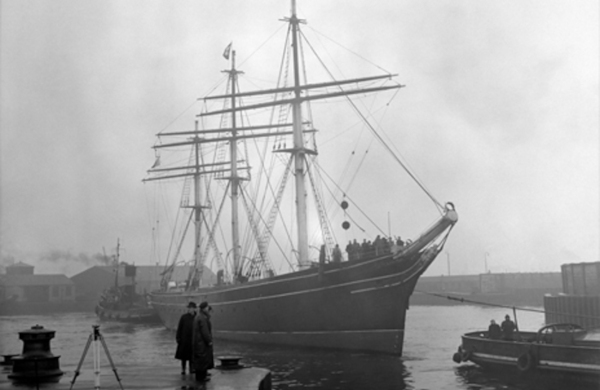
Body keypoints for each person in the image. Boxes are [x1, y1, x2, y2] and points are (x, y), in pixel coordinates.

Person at [192, 301, 213, 382]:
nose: (208, 309)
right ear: (204, 308)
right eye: (207, 307)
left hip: (198, 342)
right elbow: (205, 331)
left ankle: (200, 376)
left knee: (199, 360)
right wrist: (209, 341)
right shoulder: (202, 318)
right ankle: (202, 377)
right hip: (202, 343)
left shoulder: (198, 317)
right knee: (203, 360)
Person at [175, 301, 196, 375]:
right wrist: (178, 337)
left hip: (192, 339)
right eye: (189, 308)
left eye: (191, 308)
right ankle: (183, 369)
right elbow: (179, 328)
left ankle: (191, 369)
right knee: (183, 357)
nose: (190, 309)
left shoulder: (196, 317)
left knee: (192, 356)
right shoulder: (184, 317)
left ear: (194, 309)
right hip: (184, 339)